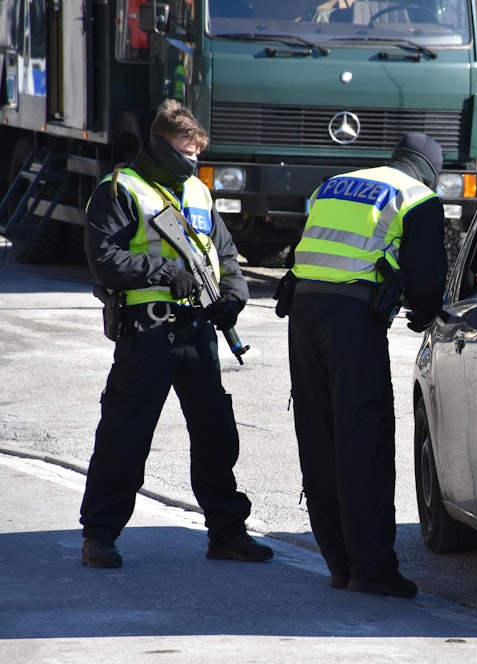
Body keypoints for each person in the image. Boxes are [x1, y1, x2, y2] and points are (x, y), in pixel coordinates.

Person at [79, 99, 272, 568]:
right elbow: (104, 260)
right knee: (125, 434)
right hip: (146, 331)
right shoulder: (121, 189)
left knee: (216, 434)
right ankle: (99, 536)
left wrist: (233, 296)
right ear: (163, 146)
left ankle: (226, 532)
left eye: (198, 153)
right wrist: (163, 270)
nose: (194, 161)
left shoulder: (200, 193)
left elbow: (225, 256)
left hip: (198, 329)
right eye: (187, 152)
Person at [286, 133, 448, 598]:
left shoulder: (335, 183)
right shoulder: (417, 197)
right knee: (365, 439)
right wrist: (424, 310)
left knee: (320, 436)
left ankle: (340, 563)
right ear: (428, 169)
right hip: (352, 324)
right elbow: (427, 280)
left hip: (303, 316)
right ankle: (371, 569)